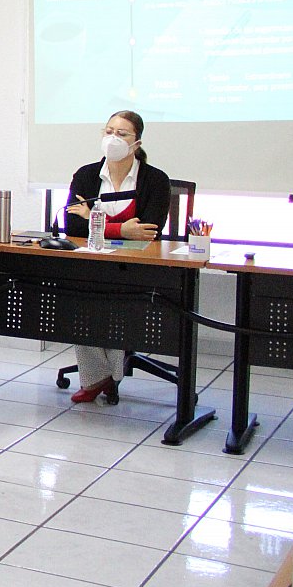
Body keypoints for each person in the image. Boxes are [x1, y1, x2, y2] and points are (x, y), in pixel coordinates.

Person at [63, 110, 172, 404]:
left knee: (114, 299)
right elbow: (71, 226)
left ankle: (103, 377)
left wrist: (93, 220)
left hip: (136, 267)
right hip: (92, 263)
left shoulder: (155, 180)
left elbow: (148, 231)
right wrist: (121, 229)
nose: (113, 138)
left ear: (136, 143)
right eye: (109, 131)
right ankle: (104, 376)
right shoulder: (86, 175)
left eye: (122, 134)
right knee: (80, 297)